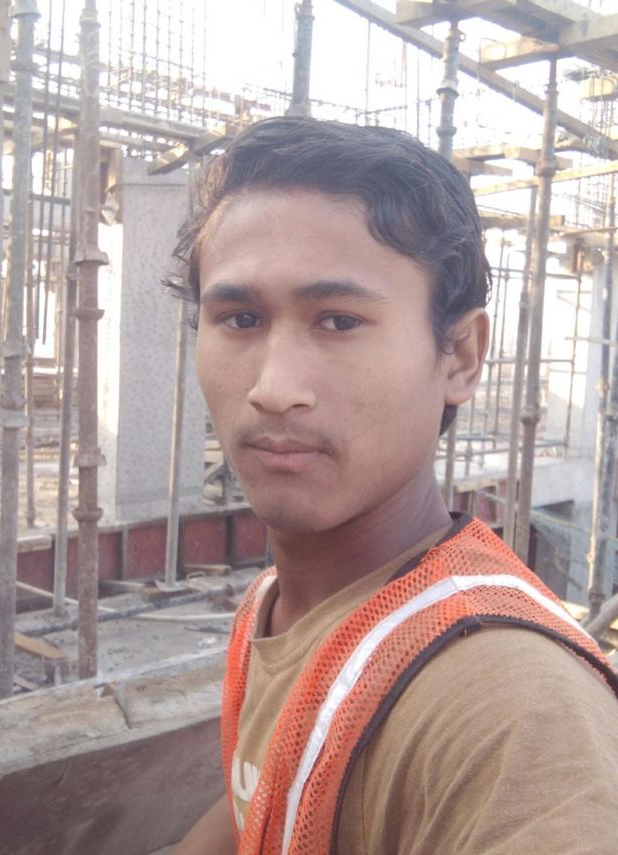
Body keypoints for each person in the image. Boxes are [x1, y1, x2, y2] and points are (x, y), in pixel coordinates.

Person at [172, 117, 618, 855]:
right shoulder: (276, 605)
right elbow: (264, 797)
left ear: (460, 356)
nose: (273, 388)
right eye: (240, 318)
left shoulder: (511, 712)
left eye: (339, 322)